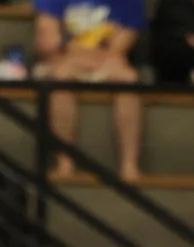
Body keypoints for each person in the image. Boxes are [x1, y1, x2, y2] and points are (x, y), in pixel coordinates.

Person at [32, 0, 145, 182]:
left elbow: (120, 47)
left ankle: (129, 166)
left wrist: (81, 54)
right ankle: (65, 162)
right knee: (60, 78)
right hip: (63, 61)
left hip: (106, 60)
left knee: (129, 79)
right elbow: (48, 42)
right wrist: (76, 55)